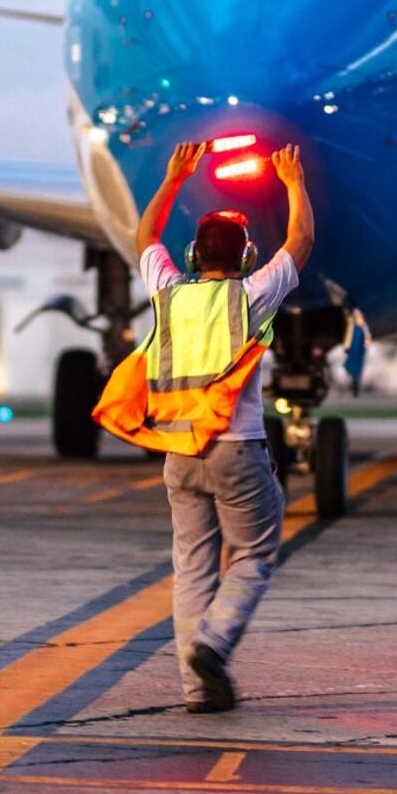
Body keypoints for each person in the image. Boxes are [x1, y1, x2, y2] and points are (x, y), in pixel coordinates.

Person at [121, 140, 314, 713]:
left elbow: (143, 238)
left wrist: (174, 177)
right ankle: (214, 641)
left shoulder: (167, 293)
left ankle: (195, 688)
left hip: (178, 452)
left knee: (192, 568)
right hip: (237, 449)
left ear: (191, 255)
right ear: (246, 256)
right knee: (254, 555)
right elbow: (300, 242)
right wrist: (293, 182)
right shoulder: (251, 296)